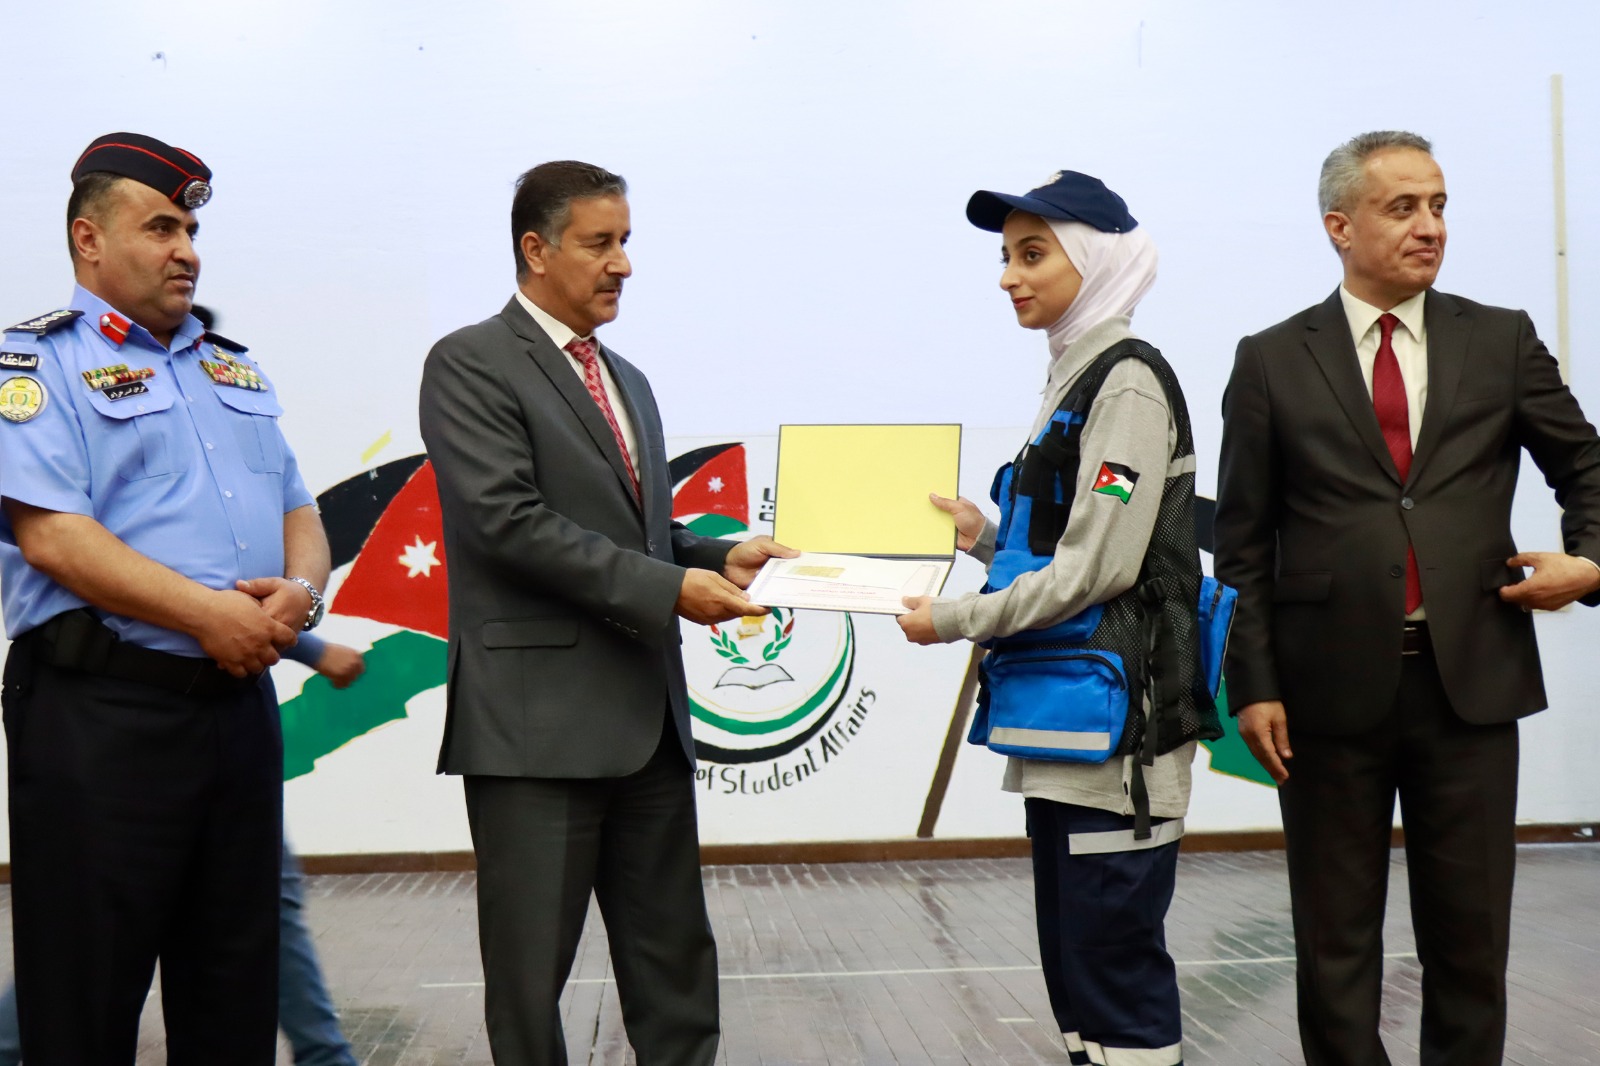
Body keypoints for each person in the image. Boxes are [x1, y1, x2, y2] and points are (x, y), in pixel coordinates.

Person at [1214, 130, 1600, 1066]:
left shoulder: (1501, 339)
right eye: (1403, 208)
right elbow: (1243, 542)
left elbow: (1586, 465)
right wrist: (1252, 685)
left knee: (1471, 941)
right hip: (1321, 693)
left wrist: (1591, 562)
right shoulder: (1271, 359)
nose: (1430, 226)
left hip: (1470, 685)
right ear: (1339, 227)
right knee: (1333, 943)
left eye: (1438, 206)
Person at [417, 159, 795, 1065]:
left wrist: (714, 555)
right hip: (534, 729)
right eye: (600, 243)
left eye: (626, 241)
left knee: (676, 969)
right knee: (529, 983)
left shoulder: (628, 378)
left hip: (647, 724)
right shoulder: (469, 362)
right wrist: (669, 589)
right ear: (535, 249)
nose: (622, 262)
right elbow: (509, 523)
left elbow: (633, 528)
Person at [0, 133, 331, 1064]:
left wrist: (300, 595)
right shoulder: (34, 367)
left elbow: (300, 511)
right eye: (160, 227)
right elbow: (54, 535)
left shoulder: (232, 368)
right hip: (101, 716)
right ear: (89, 240)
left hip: (236, 713)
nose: (186, 249)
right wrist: (212, 615)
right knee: (85, 1002)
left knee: (235, 995)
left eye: (190, 230)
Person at [897, 171, 1221, 1066]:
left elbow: (1098, 569)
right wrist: (984, 537)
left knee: (1114, 985)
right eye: (1007, 256)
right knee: (1081, 991)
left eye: (1032, 254)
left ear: (1096, 260)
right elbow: (1077, 552)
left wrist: (953, 618)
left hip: (1121, 747)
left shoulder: (1127, 383)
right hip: (1070, 736)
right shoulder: (1078, 375)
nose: (1009, 275)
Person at [0, 633, 366, 1066]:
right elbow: (210, 604)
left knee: (93, 944)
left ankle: (325, 1052)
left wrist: (305, 607)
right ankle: (326, 1053)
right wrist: (313, 649)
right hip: (124, 703)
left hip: (223, 705)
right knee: (88, 944)